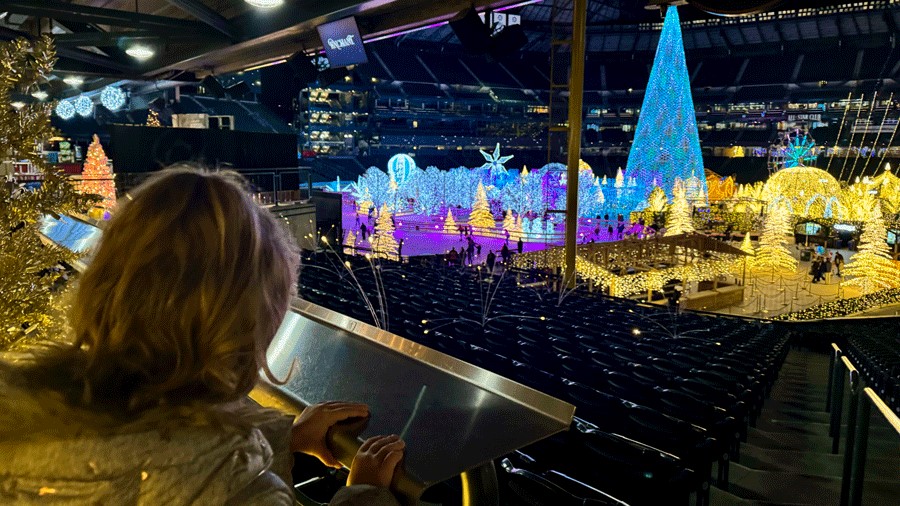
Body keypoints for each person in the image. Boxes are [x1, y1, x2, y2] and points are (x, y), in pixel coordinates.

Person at [0, 166, 403, 505]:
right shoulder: (243, 494)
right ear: (244, 332)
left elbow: (141, 444)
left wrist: (287, 436)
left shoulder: (21, 419)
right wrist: (366, 495)